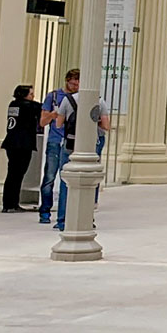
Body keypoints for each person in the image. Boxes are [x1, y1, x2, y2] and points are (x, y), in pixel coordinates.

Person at [52, 83, 110, 231]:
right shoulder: (99, 101)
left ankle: (63, 219)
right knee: (89, 178)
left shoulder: (67, 100)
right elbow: (106, 126)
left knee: (67, 180)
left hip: (70, 142)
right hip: (92, 142)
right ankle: (86, 218)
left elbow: (58, 124)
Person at [37, 68, 80, 221]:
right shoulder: (53, 96)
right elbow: (42, 121)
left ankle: (63, 215)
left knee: (66, 179)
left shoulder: (79, 98)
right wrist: (54, 114)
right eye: (72, 82)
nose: (75, 86)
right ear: (67, 81)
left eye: (77, 83)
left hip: (71, 141)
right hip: (55, 140)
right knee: (49, 176)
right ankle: (45, 211)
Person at [0, 84, 42, 212]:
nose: (33, 97)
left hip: (11, 142)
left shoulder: (13, 105)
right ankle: (12, 203)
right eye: (31, 94)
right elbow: (42, 108)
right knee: (17, 174)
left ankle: (9, 203)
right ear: (24, 95)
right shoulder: (28, 106)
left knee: (12, 173)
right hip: (22, 144)